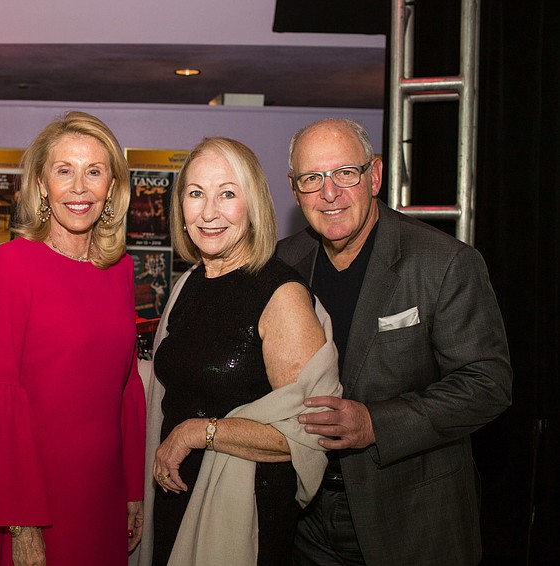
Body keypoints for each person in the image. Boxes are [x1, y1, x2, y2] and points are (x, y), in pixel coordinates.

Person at [278, 118, 513, 565]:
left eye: (345, 173)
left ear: (376, 176)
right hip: (302, 518)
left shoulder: (443, 263)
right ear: (295, 189)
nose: (330, 193)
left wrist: (375, 424)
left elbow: (488, 383)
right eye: (312, 179)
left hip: (411, 518)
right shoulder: (284, 262)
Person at [133, 137, 342, 566]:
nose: (209, 212)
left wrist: (195, 432)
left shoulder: (281, 294)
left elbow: (309, 432)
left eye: (227, 193)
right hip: (175, 493)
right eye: (196, 194)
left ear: (254, 205)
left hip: (244, 513)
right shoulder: (190, 284)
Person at [0, 111, 146, 565]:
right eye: (64, 171)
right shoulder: (13, 265)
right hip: (35, 496)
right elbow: (0, 396)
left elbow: (126, 387)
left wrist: (134, 490)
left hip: (103, 492)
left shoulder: (121, 269)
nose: (80, 188)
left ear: (112, 187)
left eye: (94, 172)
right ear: (42, 184)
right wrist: (22, 524)